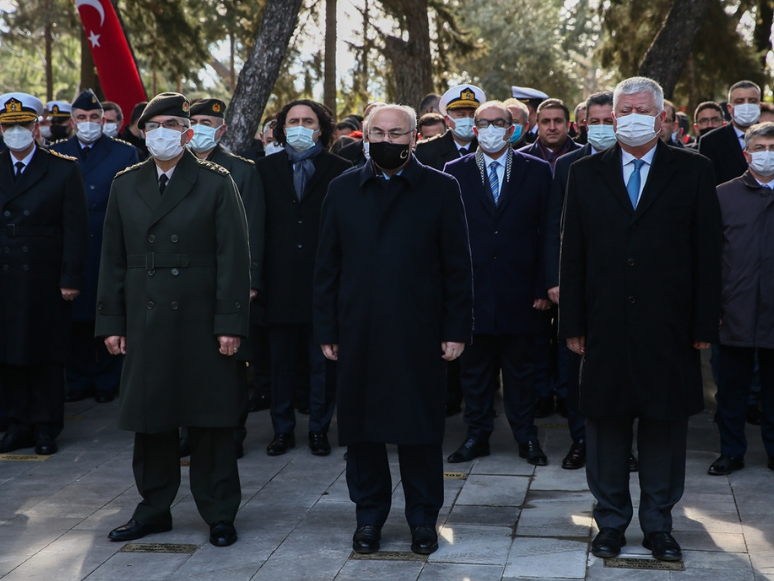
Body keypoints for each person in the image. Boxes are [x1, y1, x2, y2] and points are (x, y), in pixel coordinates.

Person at [560, 76, 721, 562]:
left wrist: (702, 326)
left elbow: (708, 254)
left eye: (639, 109)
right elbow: (573, 254)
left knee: (663, 428)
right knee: (606, 428)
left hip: (668, 327)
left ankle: (658, 525)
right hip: (604, 324)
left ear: (661, 117)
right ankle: (610, 523)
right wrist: (572, 323)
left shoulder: (693, 171)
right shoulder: (585, 174)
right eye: (621, 109)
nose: (628, 117)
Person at [314, 103, 472, 556]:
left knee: (420, 431)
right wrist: (327, 327)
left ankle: (423, 519)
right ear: (365, 136)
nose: (387, 141)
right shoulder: (343, 188)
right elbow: (327, 267)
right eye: (378, 133)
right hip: (357, 331)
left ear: (414, 138)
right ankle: (369, 518)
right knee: (362, 433)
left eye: (397, 133)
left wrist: (456, 328)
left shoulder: (441, 188)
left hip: (419, 331)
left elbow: (457, 268)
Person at [96, 92, 250, 547]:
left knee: (212, 420)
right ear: (141, 132)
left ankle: (219, 512)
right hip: (146, 318)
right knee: (151, 417)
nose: (161, 133)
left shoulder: (217, 182)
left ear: (187, 131)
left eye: (171, 125)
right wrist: (111, 323)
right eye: (153, 125)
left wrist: (229, 323)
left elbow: (234, 258)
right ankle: (153, 509)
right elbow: (112, 258)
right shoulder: (125, 183)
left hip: (202, 317)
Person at [442, 100, 551, 466]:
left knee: (522, 370)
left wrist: (543, 286)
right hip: (472, 292)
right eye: (483, 122)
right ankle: (477, 435)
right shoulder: (453, 171)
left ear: (512, 128)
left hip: (521, 292)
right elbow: (446, 235)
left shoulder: (536, 170)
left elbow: (549, 233)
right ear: (474, 129)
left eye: (499, 122)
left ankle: (526, 437)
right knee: (474, 372)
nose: (491, 129)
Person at [255, 99, 350, 457]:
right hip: (278, 284)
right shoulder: (263, 168)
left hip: (323, 282)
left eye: (307, 120)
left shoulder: (341, 168)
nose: (299, 126)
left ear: (321, 128)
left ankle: (318, 430)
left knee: (322, 363)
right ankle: (282, 430)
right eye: (292, 120)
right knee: (279, 363)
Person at [0, 92, 89, 455]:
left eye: (23, 125)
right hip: (5, 278)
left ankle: (46, 427)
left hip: (45, 277)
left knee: (47, 354)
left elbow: (77, 229)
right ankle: (16, 423)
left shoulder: (63, 168)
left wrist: (71, 278)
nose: (16, 132)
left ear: (37, 127)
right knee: (9, 354)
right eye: (9, 126)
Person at [188, 97, 266, 458]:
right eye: (196, 120)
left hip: (226, 279)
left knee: (230, 360)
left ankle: (232, 431)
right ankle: (191, 429)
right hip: (183, 280)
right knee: (187, 358)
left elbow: (252, 230)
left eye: (209, 122)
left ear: (221, 130)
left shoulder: (241, 170)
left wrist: (249, 280)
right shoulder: (172, 166)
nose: (201, 127)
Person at [50, 90, 138, 404]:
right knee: (73, 315)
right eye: (82, 118)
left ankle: (107, 381)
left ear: (103, 120)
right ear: (72, 121)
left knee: (110, 308)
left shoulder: (123, 153)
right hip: (69, 242)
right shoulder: (57, 151)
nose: (88, 123)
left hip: (108, 238)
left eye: (95, 118)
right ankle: (79, 380)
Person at [708, 121, 774, 476]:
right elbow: (709, 255)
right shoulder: (723, 195)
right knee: (731, 391)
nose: (767, 154)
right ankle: (730, 452)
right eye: (760, 148)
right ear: (747, 154)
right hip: (734, 310)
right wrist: (713, 305)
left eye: (773, 147)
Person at [699, 80, 761, 185]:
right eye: (740, 101)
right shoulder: (710, 141)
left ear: (759, 106)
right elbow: (708, 184)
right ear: (729, 108)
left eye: (752, 101)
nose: (746, 106)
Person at [414, 84, 485, 171]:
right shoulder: (427, 150)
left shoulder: (487, 148)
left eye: (472, 115)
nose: (468, 119)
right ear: (447, 120)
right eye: (461, 115)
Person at [518, 98, 581, 171]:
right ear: (538, 126)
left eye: (558, 121)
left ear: (568, 125)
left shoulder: (585, 155)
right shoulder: (520, 157)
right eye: (546, 122)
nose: (552, 127)